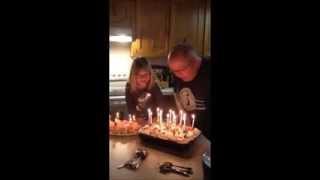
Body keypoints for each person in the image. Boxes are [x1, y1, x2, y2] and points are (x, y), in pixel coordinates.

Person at [167, 44, 212, 141]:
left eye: (180, 70)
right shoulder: (178, 73)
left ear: (196, 62)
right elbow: (177, 95)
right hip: (190, 135)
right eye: (173, 71)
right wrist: (182, 112)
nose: (177, 75)